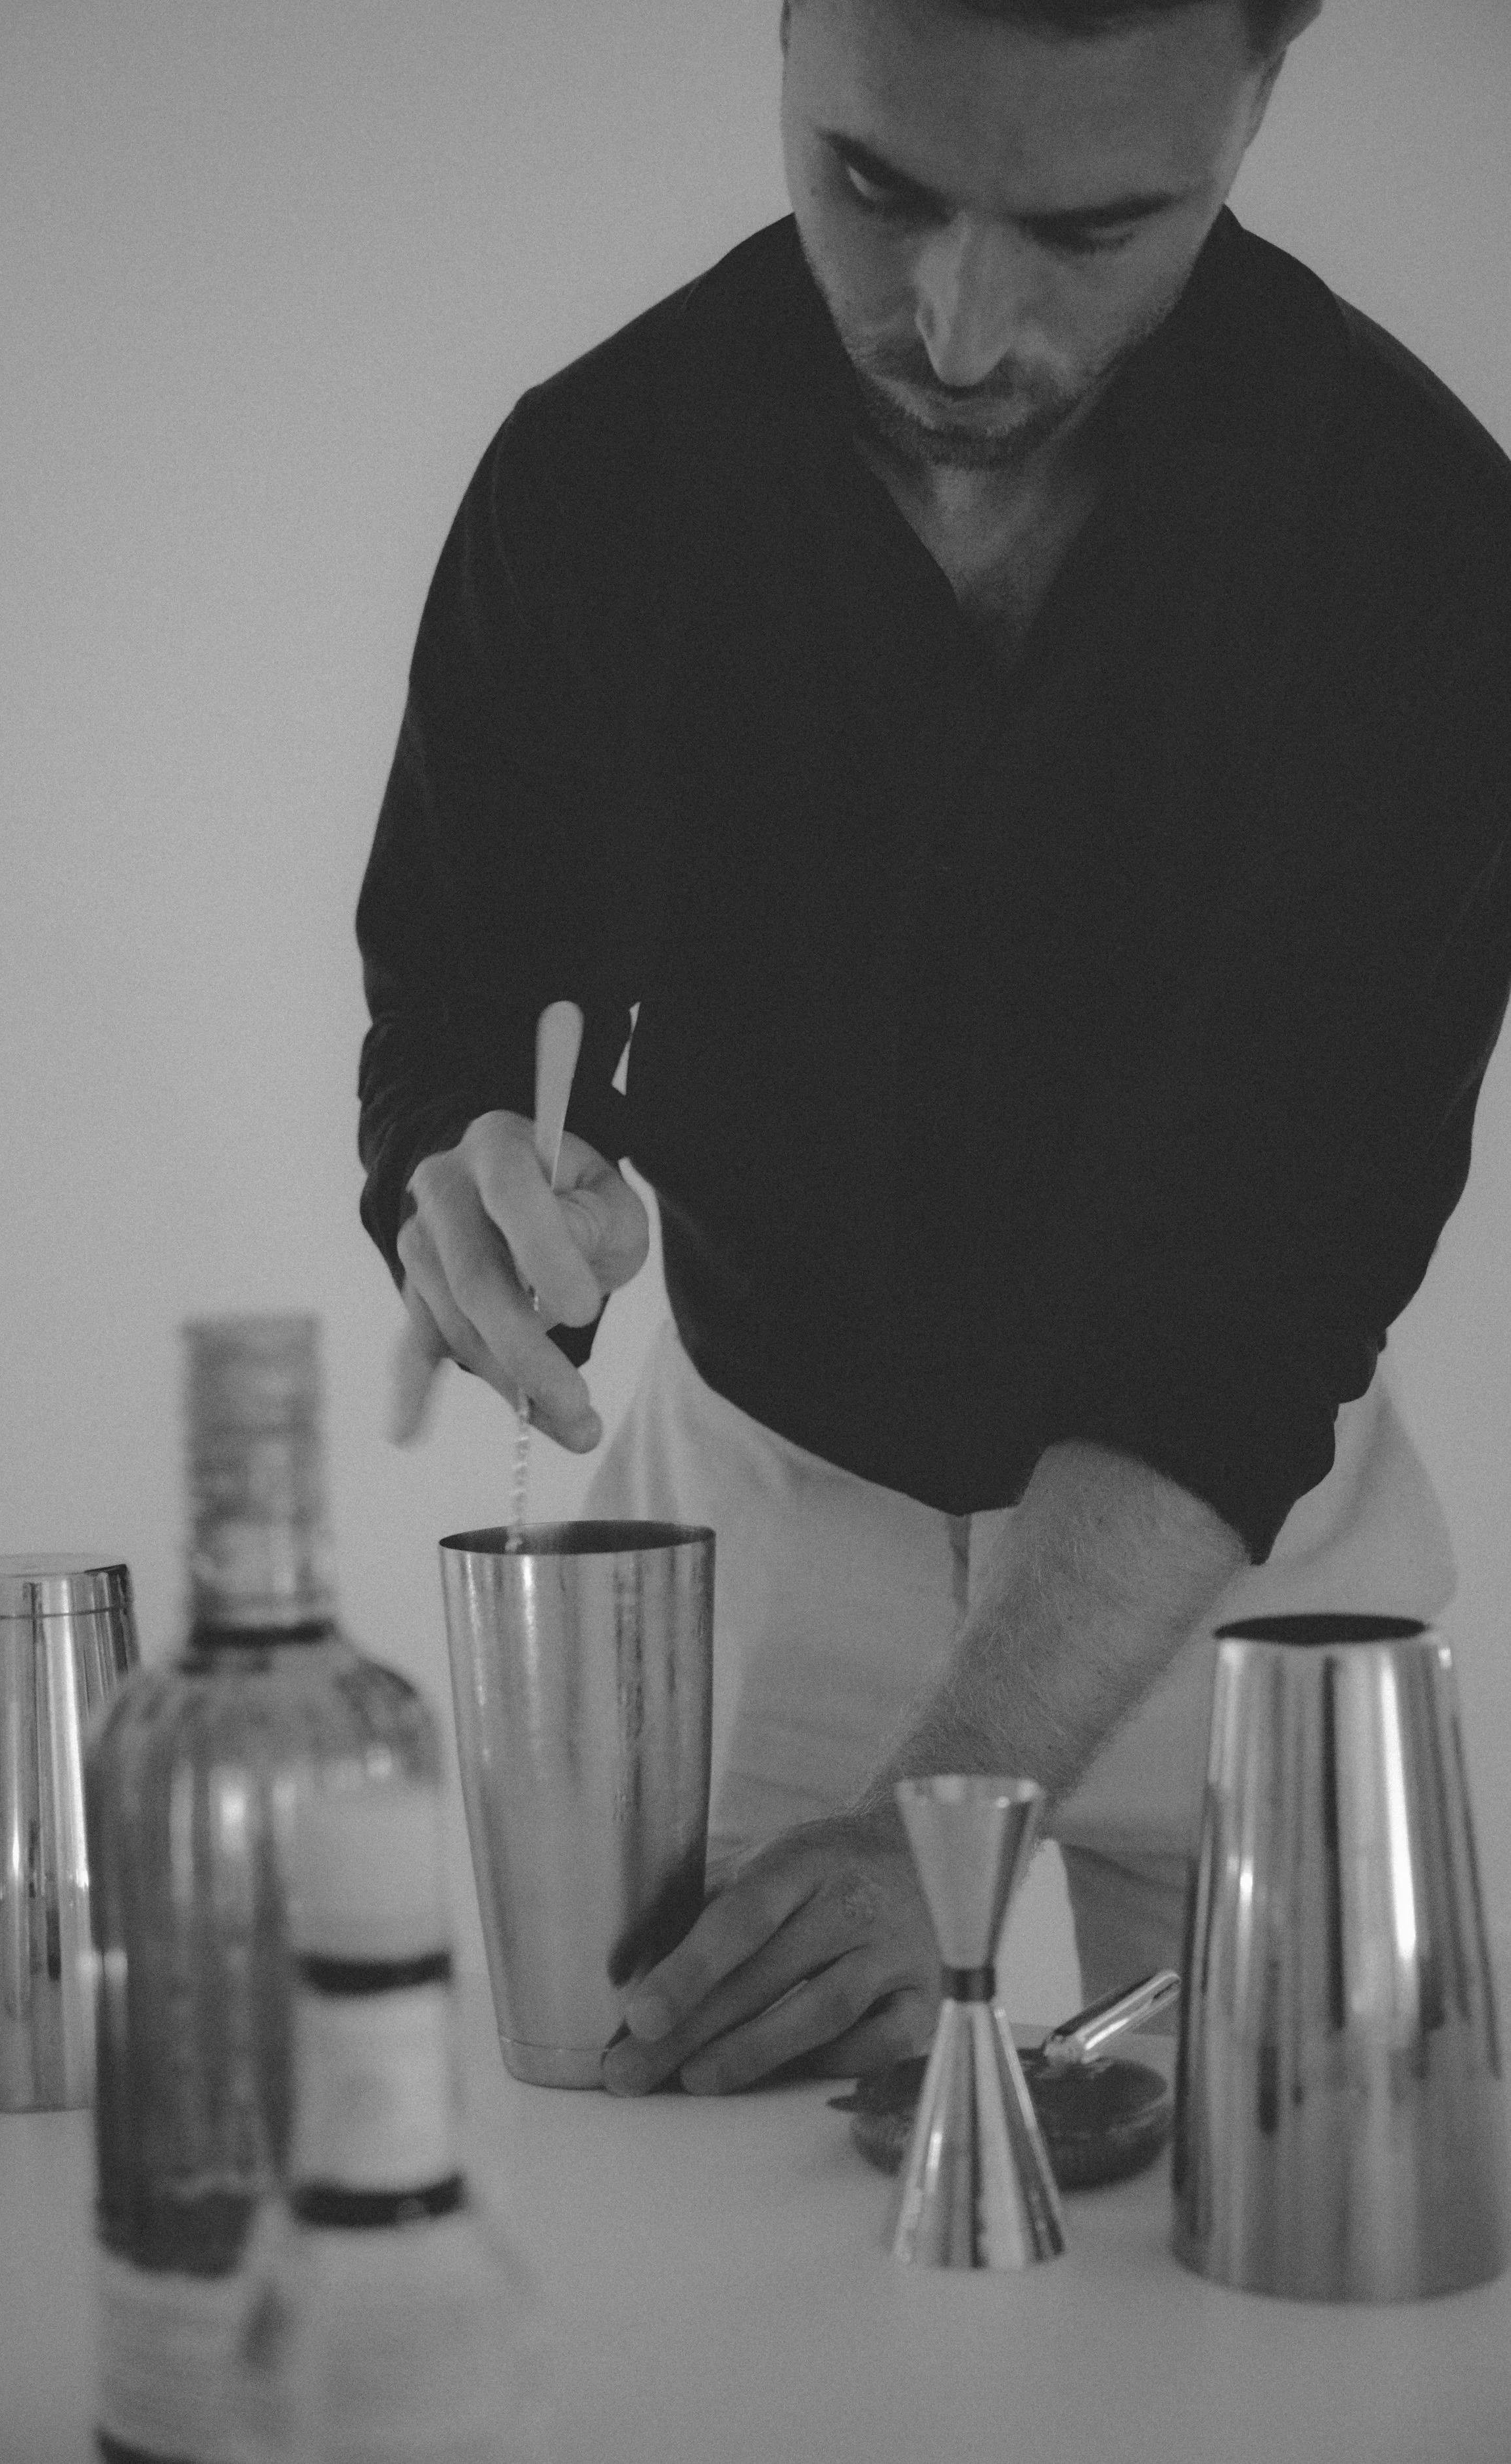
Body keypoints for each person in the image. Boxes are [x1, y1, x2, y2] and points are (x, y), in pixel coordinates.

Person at [356, 0, 1511, 2096]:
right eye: (874, 187)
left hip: (1232, 1558)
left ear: (1261, 94)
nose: (957, 330)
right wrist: (460, 1173)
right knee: (706, 2301)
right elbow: (456, 986)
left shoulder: (1418, 541)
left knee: (1298, 2311)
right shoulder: (596, 476)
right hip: (768, 1534)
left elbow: (1253, 1281)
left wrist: (944, 1816)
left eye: (1089, 230)